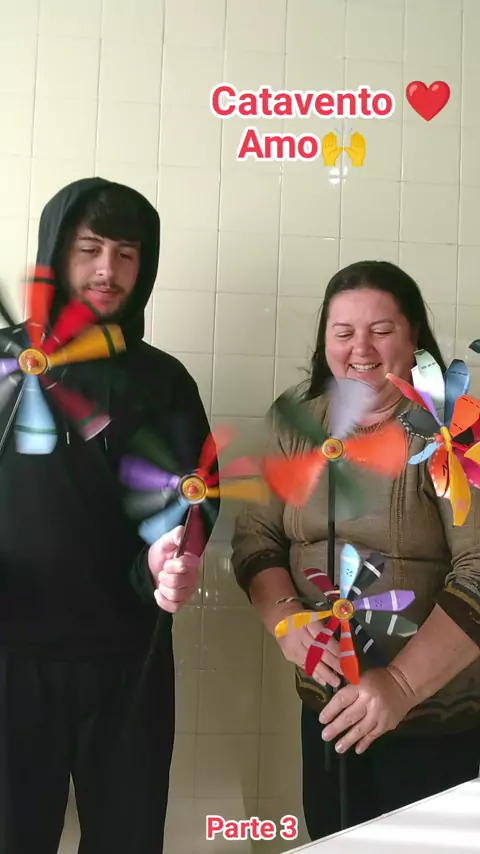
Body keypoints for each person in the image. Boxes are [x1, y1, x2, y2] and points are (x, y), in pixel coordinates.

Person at [0, 177, 218, 854]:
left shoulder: (163, 381)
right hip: (8, 657)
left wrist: (169, 551)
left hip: (130, 658)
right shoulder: (5, 362)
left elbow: (193, 494)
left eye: (126, 253)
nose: (107, 270)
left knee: (126, 838)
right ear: (55, 252)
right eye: (89, 248)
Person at [231, 260, 480, 839]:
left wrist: (401, 686)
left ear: (414, 339)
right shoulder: (296, 419)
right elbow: (256, 535)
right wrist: (285, 618)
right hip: (329, 709)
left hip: (436, 721)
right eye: (343, 332)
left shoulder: (456, 429)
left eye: (381, 331)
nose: (360, 349)